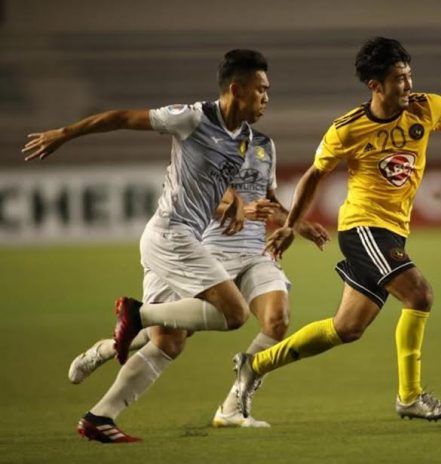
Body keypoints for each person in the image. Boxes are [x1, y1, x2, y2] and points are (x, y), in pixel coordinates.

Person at [232, 37, 441, 422]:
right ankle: (410, 397)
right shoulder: (347, 129)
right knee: (420, 295)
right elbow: (315, 175)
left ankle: (254, 365)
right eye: (399, 78)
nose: (408, 85)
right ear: (375, 85)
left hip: (393, 231)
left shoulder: (425, 108)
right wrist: (291, 225)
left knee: (346, 328)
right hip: (364, 226)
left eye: (409, 76)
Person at [23, 49, 327, 442]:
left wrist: (241, 203)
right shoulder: (192, 117)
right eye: (261, 90)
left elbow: (223, 185)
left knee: (167, 342)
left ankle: (99, 417)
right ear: (236, 89)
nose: (267, 97)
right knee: (233, 315)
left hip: (181, 238)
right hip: (172, 235)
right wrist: (64, 134)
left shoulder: (248, 139)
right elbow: (120, 118)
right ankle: (138, 313)